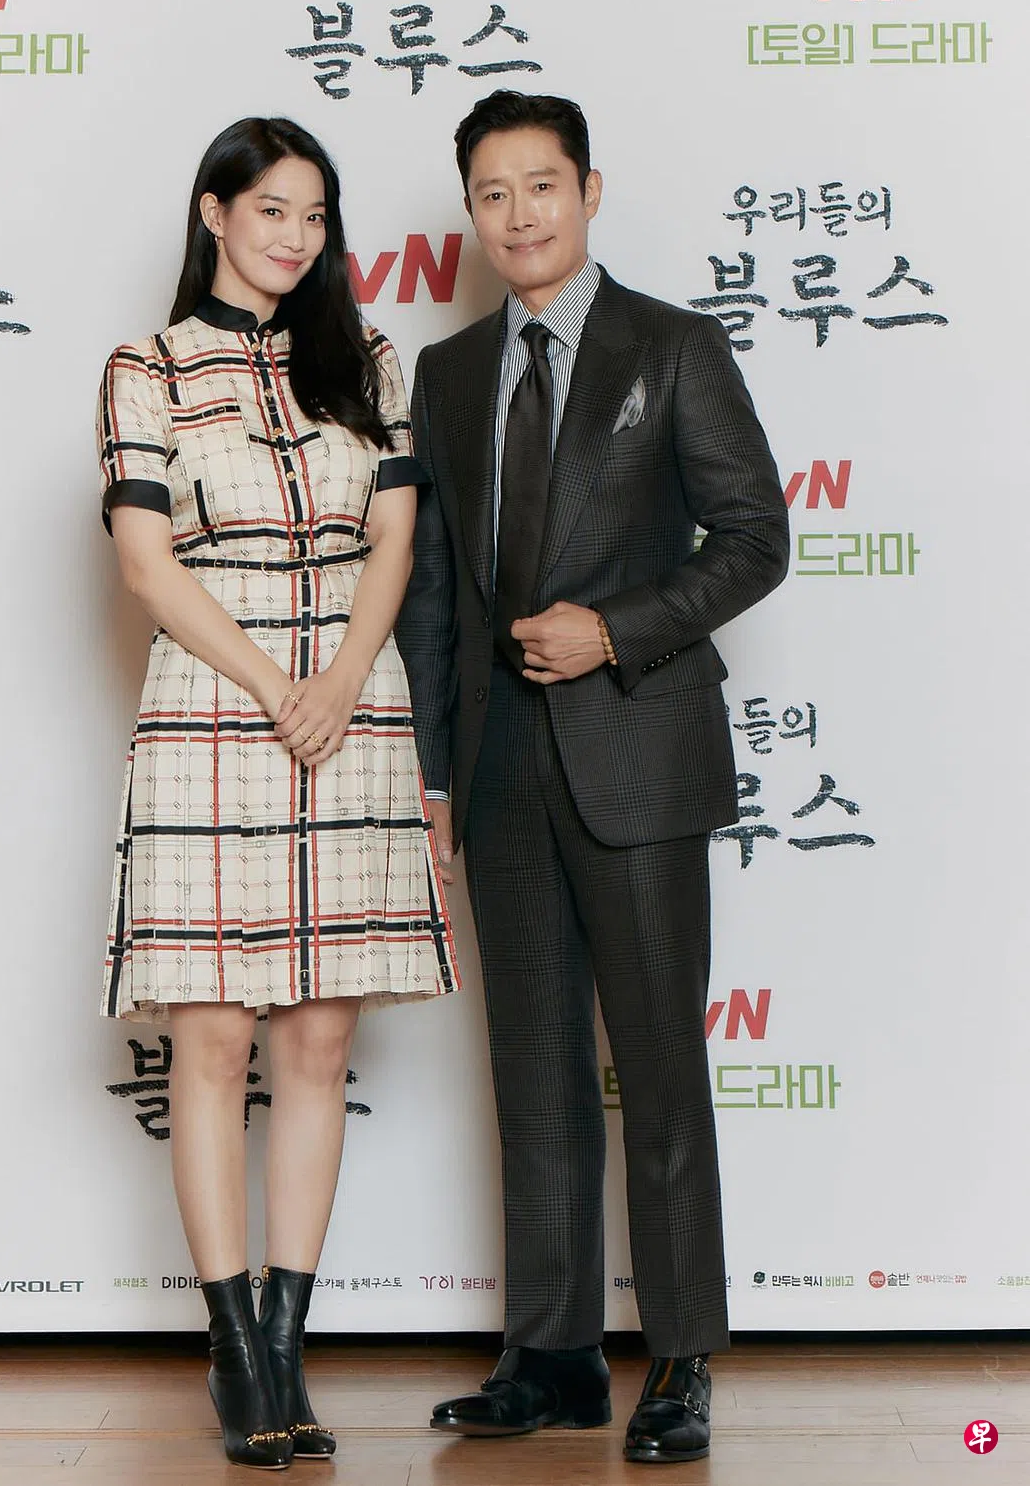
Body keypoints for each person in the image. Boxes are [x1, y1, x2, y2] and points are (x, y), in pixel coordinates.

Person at [395, 91, 788, 1466]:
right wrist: (433, 774)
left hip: (637, 754)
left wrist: (614, 629)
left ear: (590, 190)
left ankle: (680, 1355)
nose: (520, 215)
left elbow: (755, 537)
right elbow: (433, 590)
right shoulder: (448, 372)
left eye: (543, 185)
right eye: (493, 193)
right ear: (472, 211)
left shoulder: (671, 346)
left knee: (661, 1067)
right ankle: (552, 1353)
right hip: (499, 764)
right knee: (535, 1067)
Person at [97, 116, 459, 1470]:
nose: (296, 238)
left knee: (316, 1038)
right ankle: (234, 1347)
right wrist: (274, 682)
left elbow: (396, 538)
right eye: (271, 211)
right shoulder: (144, 369)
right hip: (212, 710)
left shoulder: (368, 361)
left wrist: (344, 678)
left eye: (315, 216)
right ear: (214, 212)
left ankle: (289, 1341)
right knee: (212, 1034)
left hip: (354, 712)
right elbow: (148, 563)